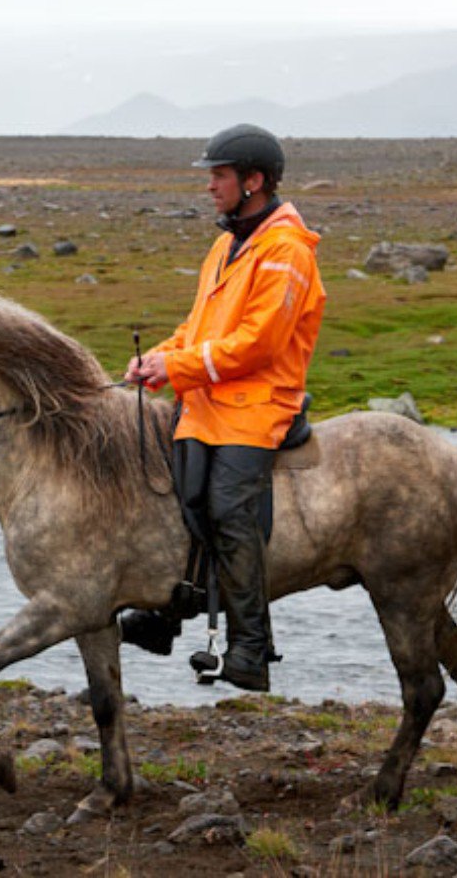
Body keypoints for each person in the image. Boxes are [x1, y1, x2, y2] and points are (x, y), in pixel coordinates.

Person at [121, 124, 326, 691]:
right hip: (209, 400)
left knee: (229, 511)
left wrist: (179, 369)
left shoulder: (286, 252)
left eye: (219, 175)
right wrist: (157, 360)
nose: (210, 186)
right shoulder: (225, 243)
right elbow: (200, 328)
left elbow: (260, 343)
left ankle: (251, 648)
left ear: (253, 181)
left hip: (260, 404)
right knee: (180, 497)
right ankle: (168, 615)